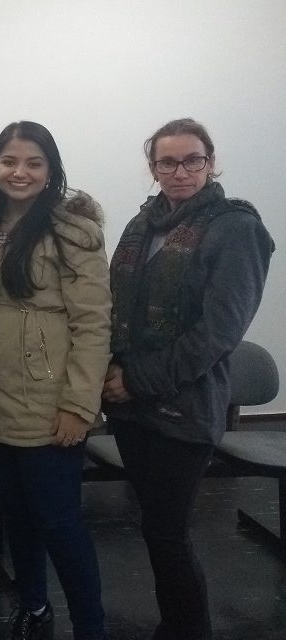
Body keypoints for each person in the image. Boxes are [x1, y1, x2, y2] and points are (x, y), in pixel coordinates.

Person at [103, 118, 274, 640]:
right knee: (156, 529)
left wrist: (137, 379)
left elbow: (219, 334)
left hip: (185, 408)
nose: (180, 171)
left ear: (211, 162)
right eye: (167, 162)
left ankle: (187, 629)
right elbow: (116, 309)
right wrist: (112, 371)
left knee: (168, 534)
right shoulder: (142, 224)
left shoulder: (235, 228)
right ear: (153, 167)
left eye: (192, 160)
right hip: (130, 408)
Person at [0, 121, 111, 640]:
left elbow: (93, 324)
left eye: (33, 163)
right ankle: (34, 604)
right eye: (9, 161)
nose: (19, 172)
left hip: (49, 405)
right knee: (17, 514)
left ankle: (91, 626)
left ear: (51, 171)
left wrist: (79, 406)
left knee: (59, 521)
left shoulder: (73, 234)